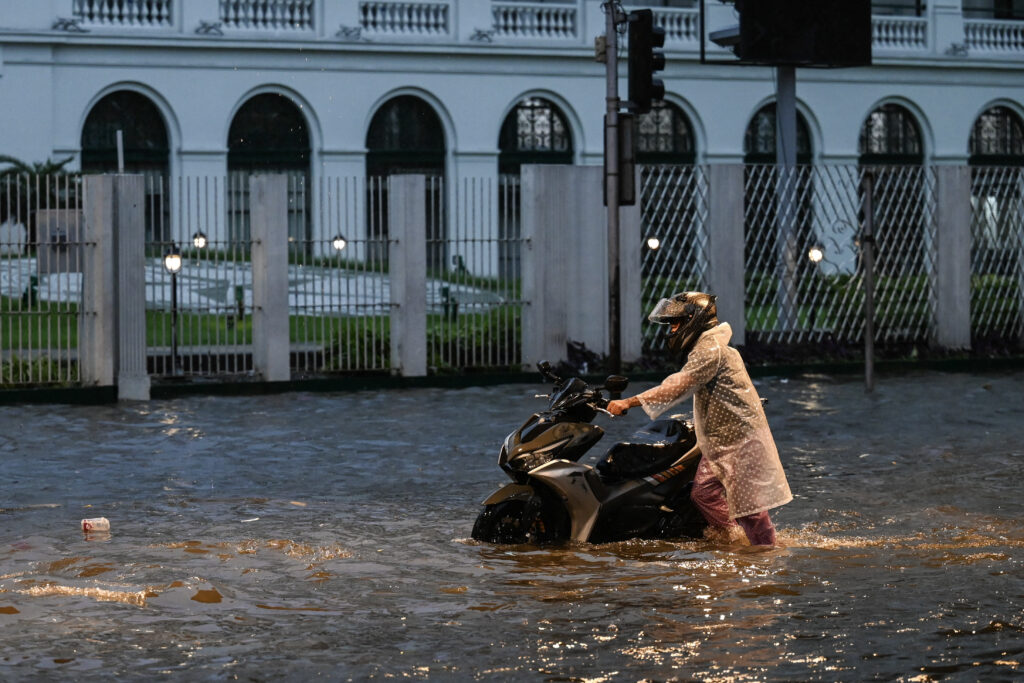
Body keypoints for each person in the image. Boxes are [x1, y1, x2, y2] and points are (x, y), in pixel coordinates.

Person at [607, 291, 792, 546]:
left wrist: (629, 401)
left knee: (749, 507)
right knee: (704, 493)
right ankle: (737, 539)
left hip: (737, 437)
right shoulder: (706, 347)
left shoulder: (710, 350)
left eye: (676, 323)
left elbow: (677, 385)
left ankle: (766, 550)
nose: (671, 330)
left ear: (694, 320)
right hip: (721, 438)